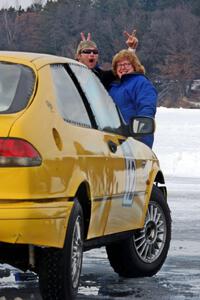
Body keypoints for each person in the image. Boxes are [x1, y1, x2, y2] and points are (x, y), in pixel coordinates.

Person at [108, 50, 157, 148]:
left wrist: (140, 130)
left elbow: (147, 107)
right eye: (119, 65)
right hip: (114, 139)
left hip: (136, 139)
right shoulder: (113, 87)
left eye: (126, 64)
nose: (123, 67)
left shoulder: (141, 83)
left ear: (134, 66)